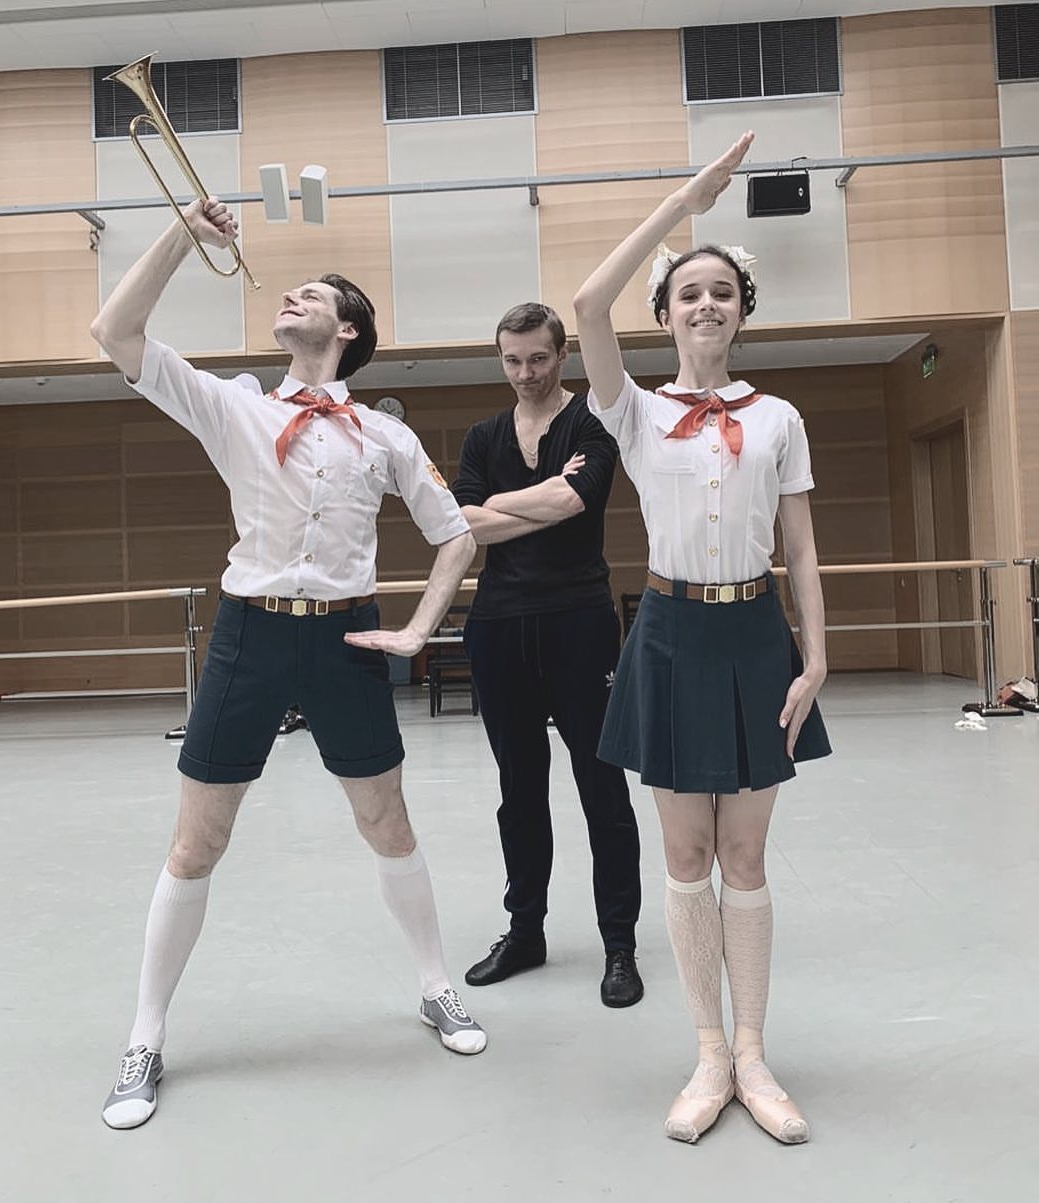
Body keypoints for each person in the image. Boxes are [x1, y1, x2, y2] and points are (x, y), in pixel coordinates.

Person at [91, 197, 486, 1131]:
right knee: (197, 842)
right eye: (293, 290)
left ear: (346, 331)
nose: (292, 296)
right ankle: (145, 1035)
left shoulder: (385, 436)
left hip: (348, 638)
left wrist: (418, 629)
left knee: (386, 819)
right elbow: (115, 331)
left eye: (316, 293)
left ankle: (436, 985)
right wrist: (183, 235)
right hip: (250, 635)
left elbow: (457, 534)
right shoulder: (233, 405)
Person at [572, 131, 831, 1144]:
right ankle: (708, 1053)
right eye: (689, 293)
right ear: (667, 313)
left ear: (743, 311)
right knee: (685, 852)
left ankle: (755, 1054)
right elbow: (586, 304)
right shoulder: (633, 411)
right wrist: (686, 204)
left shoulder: (780, 418)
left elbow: (800, 548)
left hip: (756, 634)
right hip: (669, 632)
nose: (707, 304)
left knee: (746, 854)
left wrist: (817, 655)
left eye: (723, 291)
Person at [452, 303, 643, 1008]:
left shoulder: (594, 422)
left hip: (578, 622)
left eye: (537, 358)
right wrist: (538, 497)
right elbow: (464, 523)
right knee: (520, 791)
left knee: (602, 788)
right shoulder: (482, 436)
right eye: (512, 360)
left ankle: (618, 944)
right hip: (499, 626)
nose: (525, 373)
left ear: (563, 355)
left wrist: (506, 505)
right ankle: (524, 931)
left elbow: (573, 502)